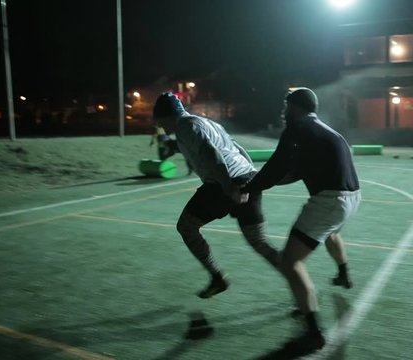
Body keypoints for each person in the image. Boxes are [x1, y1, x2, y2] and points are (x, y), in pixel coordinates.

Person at [241, 88, 361, 353]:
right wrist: (265, 182)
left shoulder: (297, 129)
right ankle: (343, 273)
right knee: (329, 232)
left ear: (295, 107)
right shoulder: (320, 129)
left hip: (330, 200)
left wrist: (248, 186)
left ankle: (313, 332)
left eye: (286, 106)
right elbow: (295, 171)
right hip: (352, 198)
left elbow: (276, 167)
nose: (284, 112)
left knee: (290, 261)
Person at [151, 92, 280, 299]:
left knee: (186, 227)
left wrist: (229, 187)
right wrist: (252, 176)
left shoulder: (185, 127)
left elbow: (213, 154)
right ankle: (298, 280)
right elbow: (237, 148)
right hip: (247, 176)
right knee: (259, 241)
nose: (161, 127)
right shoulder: (208, 123)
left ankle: (217, 277)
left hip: (223, 184)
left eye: (160, 122)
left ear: (167, 116)